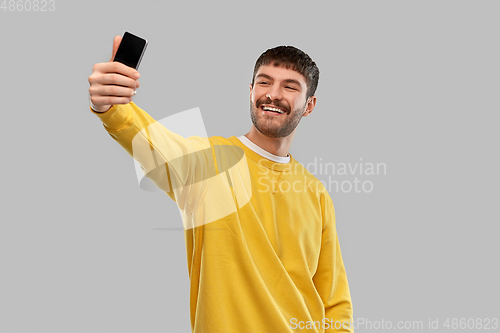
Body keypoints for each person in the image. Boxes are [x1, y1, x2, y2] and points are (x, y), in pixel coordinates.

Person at [88, 35, 354, 332]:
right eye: (264, 82)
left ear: (309, 105)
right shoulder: (208, 163)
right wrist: (111, 106)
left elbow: (334, 300)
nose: (273, 94)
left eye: (290, 87)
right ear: (251, 90)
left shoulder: (316, 192)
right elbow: (151, 141)